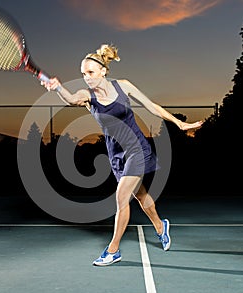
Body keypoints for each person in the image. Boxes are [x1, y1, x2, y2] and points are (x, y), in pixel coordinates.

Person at [42, 44, 203, 266]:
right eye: (83, 74)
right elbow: (70, 99)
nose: (86, 78)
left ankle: (113, 250)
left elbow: (151, 105)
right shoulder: (87, 96)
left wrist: (178, 123)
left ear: (103, 71)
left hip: (137, 148)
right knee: (140, 195)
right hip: (116, 154)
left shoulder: (123, 86)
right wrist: (58, 87)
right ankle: (160, 225)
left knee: (121, 197)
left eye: (90, 72)